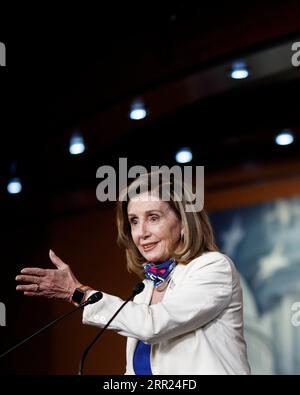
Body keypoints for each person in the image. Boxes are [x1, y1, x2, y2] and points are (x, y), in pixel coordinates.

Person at [16, 172, 251, 375]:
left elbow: (154, 325)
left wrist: (78, 293)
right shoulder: (144, 291)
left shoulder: (213, 267)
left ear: (183, 223)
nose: (141, 233)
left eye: (153, 218)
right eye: (134, 222)